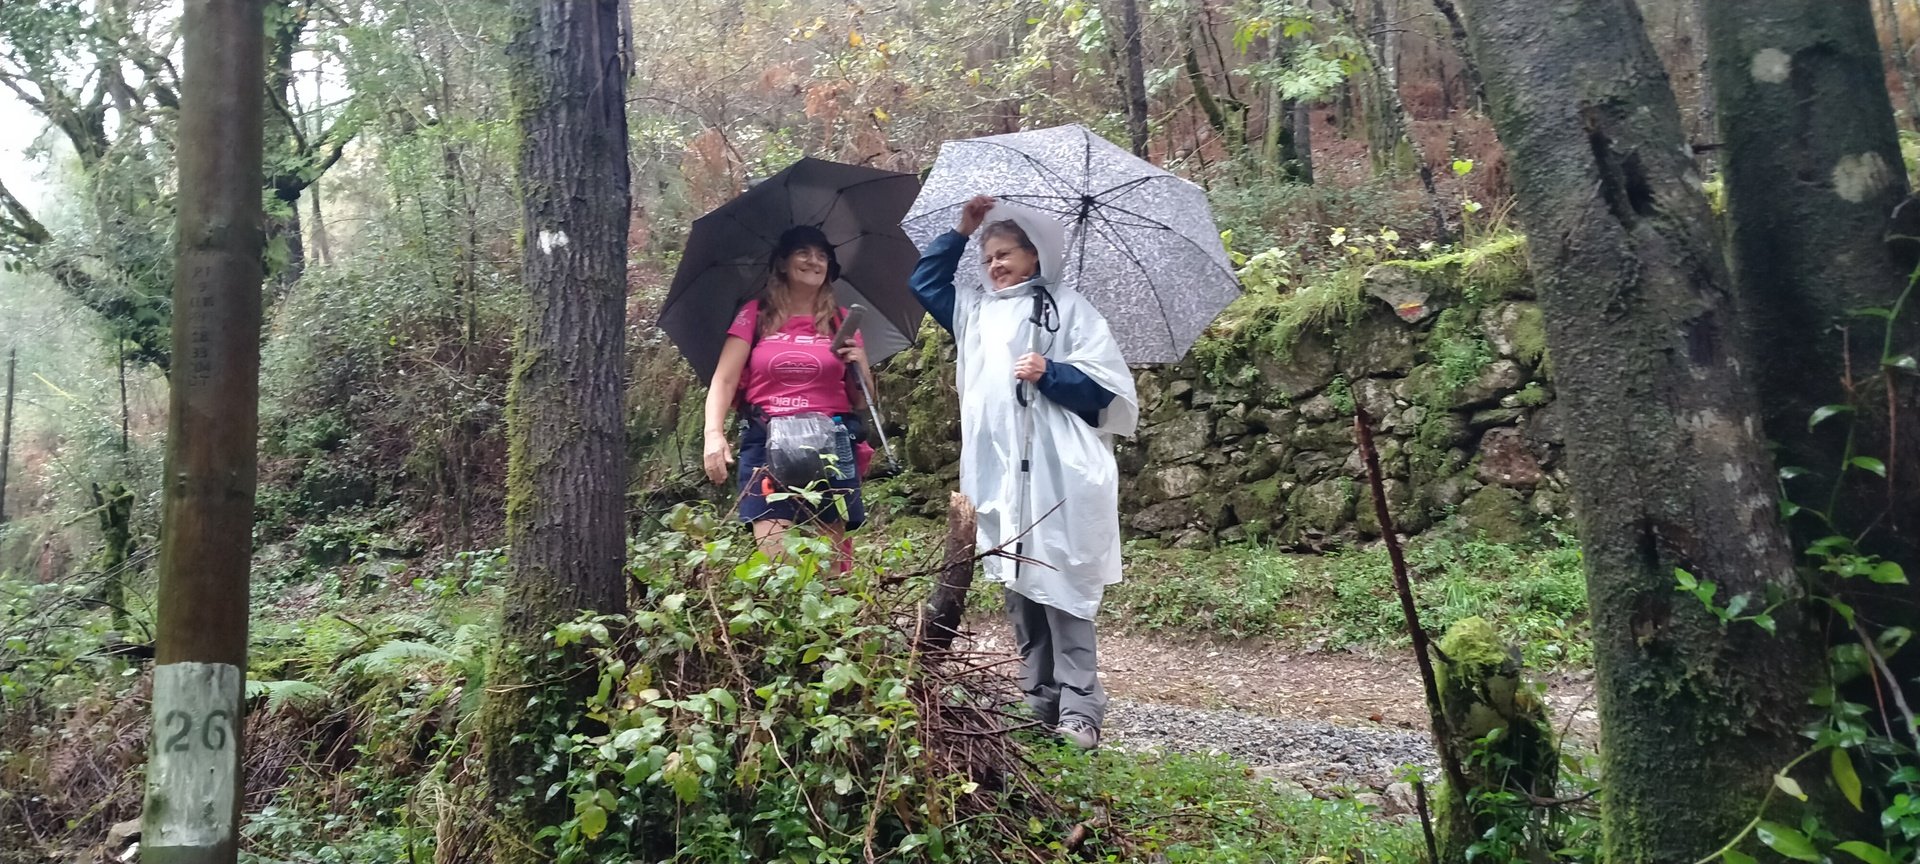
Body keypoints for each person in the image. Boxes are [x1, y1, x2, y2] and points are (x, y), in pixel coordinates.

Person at [909, 195, 1140, 749]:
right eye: (987, 257)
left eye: (1005, 254)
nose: (994, 265)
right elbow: (924, 283)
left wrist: (1050, 371)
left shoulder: (1068, 308)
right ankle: (1039, 698)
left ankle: (1081, 708)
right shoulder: (975, 312)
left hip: (1060, 471)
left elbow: (1105, 392)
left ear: (1033, 255)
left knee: (1062, 579)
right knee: (1018, 581)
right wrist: (962, 229)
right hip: (1001, 472)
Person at [703, 225, 874, 562]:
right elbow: (724, 380)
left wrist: (860, 363)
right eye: (803, 252)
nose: (814, 261)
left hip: (830, 441)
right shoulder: (755, 314)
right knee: (775, 560)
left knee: (830, 564)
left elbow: (861, 400)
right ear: (782, 263)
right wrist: (713, 434)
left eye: (822, 256)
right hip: (766, 438)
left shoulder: (840, 321)